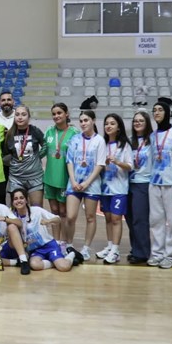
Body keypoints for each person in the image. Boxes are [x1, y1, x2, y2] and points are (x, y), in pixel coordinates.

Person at [64, 110, 105, 262]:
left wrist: (86, 183)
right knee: (70, 216)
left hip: (92, 184)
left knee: (90, 217)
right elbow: (69, 161)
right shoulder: (75, 138)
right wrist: (73, 181)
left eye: (86, 120)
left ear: (93, 120)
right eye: (81, 121)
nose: (83, 123)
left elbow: (100, 164)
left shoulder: (99, 140)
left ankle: (86, 248)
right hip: (74, 184)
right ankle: (69, 246)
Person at [148, 101, 172, 269]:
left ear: (167, 112)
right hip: (155, 183)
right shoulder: (152, 135)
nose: (156, 112)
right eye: (154, 110)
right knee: (156, 221)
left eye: (160, 110)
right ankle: (157, 253)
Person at [11, 189, 76, 272]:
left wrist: (48, 221)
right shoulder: (12, 216)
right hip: (35, 250)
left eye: (21, 198)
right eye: (15, 199)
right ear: (12, 202)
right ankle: (54, 262)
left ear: (26, 200)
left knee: (64, 267)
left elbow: (58, 219)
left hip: (48, 245)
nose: (19, 201)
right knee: (34, 264)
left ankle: (72, 254)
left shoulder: (36, 210)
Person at [97, 113, 133, 265]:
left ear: (118, 127)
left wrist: (117, 162)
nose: (108, 126)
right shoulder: (102, 144)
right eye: (106, 123)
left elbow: (130, 166)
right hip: (105, 188)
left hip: (119, 189)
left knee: (116, 219)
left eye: (112, 123)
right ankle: (110, 246)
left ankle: (116, 250)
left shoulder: (125, 145)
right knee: (108, 218)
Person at [43, 103, 79, 248]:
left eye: (59, 113)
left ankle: (64, 242)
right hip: (50, 177)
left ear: (66, 114)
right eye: (54, 114)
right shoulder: (49, 131)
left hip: (65, 178)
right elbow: (42, 151)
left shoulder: (74, 133)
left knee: (63, 212)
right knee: (54, 211)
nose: (56, 116)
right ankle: (55, 241)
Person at [4, 105, 46, 206]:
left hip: (35, 177)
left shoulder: (35, 131)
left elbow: (46, 145)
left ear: (29, 117)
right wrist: (12, 162)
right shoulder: (9, 134)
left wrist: (37, 156)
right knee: (17, 209)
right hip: (16, 178)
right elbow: (5, 154)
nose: (20, 117)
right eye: (17, 115)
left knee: (37, 209)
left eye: (23, 114)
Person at [125, 111, 153, 264]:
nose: (137, 123)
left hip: (143, 183)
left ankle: (142, 252)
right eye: (135, 121)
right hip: (128, 182)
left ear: (147, 122)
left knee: (140, 219)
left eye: (141, 120)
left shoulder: (152, 140)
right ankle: (135, 249)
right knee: (130, 218)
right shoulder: (130, 141)